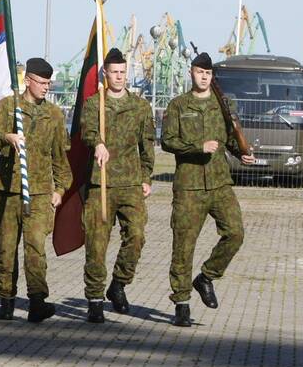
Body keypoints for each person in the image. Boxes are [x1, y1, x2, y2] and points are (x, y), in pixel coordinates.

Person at [161, 51, 255, 327]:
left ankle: (207, 277)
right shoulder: (178, 105)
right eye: (200, 72)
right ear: (191, 73)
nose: (204, 77)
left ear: (212, 77)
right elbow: (167, 141)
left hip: (219, 183)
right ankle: (181, 303)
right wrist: (196, 148)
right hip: (189, 186)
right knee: (183, 245)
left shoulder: (223, 105)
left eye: (208, 73)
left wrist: (242, 153)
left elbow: (230, 139)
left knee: (235, 233)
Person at [0, 57, 71, 322]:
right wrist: (6, 138)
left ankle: (37, 302)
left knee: (35, 250)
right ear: (28, 80)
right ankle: (6, 301)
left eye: (48, 83)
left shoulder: (54, 114)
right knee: (6, 248)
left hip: (40, 193)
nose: (46, 87)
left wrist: (61, 190)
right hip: (9, 190)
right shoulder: (8, 107)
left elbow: (60, 157)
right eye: (42, 82)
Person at [80, 47, 156, 323]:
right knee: (96, 245)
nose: (120, 77)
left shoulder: (140, 107)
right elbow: (87, 130)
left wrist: (147, 177)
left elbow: (147, 145)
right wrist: (98, 143)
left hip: (130, 183)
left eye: (123, 72)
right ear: (105, 74)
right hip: (100, 183)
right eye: (114, 72)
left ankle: (119, 284)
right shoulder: (94, 104)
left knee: (136, 236)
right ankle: (95, 298)